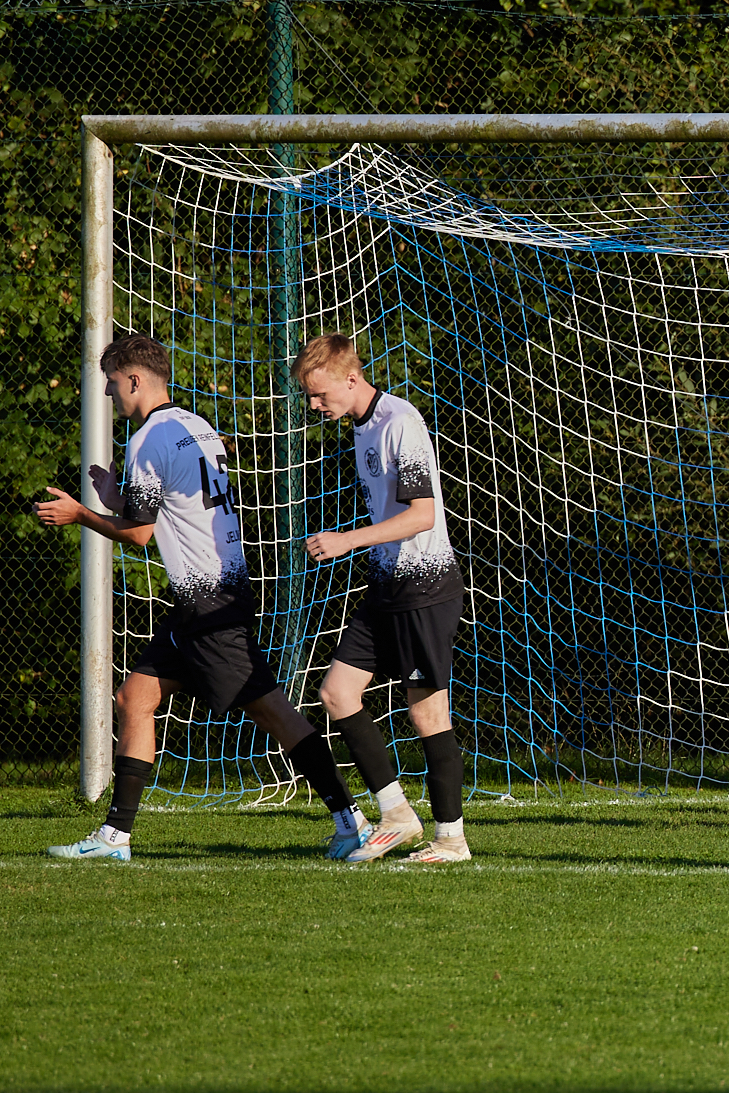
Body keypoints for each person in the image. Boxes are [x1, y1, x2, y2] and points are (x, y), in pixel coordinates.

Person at [37, 332, 366, 862]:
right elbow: (167, 509)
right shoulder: (194, 426)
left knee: (273, 714)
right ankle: (114, 838)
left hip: (209, 602)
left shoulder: (148, 439)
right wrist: (117, 498)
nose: (110, 393)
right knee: (134, 698)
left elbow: (139, 534)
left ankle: (350, 821)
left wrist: (80, 514)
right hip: (205, 598)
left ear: (135, 379)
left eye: (113, 382)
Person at [292, 334, 472, 863]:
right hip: (387, 584)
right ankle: (396, 814)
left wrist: (346, 540)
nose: (314, 405)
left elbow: (423, 515)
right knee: (336, 693)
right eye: (309, 396)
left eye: (320, 394)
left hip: (425, 588)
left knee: (428, 715)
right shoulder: (363, 427)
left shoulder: (399, 422)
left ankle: (451, 839)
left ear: (352, 379)